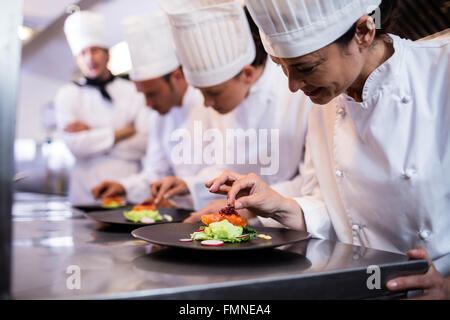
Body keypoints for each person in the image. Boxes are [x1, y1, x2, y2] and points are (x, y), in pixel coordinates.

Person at [206, 0, 450, 299]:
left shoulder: (442, 71)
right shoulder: (326, 96)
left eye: (305, 67)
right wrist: (282, 206)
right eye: (282, 68)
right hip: (361, 288)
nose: (294, 86)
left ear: (363, 31)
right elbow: (335, 210)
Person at [153, 0, 311, 216]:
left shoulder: (300, 93)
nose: (207, 103)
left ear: (247, 75)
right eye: (201, 92)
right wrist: (188, 186)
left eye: (214, 93)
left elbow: (310, 183)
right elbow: (227, 170)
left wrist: (252, 204)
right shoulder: (221, 105)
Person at [91, 12, 218, 209]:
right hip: (180, 214)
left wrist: (188, 189)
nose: (148, 104)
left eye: (152, 94)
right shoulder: (159, 117)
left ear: (177, 77)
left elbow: (227, 171)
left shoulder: (212, 104)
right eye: (144, 95)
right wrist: (123, 186)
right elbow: (155, 172)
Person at [54, 10, 152, 204]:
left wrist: (93, 135)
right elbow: (76, 147)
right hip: (85, 193)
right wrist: (124, 132)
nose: (90, 58)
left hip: (128, 189)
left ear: (107, 54)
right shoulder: (67, 94)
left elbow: (143, 143)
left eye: (95, 50)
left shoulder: (133, 89)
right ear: (76, 59)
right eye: (83, 53)